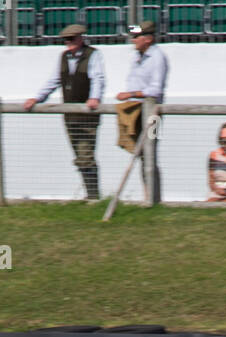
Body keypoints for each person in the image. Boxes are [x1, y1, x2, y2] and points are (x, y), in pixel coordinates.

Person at [23, 24, 106, 201]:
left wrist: (94, 98)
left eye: (71, 39)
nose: (68, 43)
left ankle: (93, 196)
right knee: (78, 153)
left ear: (80, 38)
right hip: (69, 115)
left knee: (85, 153)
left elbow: (98, 78)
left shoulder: (93, 55)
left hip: (86, 114)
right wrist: (37, 98)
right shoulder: (64, 57)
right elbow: (54, 80)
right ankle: (90, 194)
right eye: (65, 40)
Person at [116, 20, 169, 204]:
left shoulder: (157, 58)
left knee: (150, 154)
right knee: (141, 156)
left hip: (153, 115)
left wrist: (130, 94)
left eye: (137, 36)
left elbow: (155, 90)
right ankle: (148, 196)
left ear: (148, 39)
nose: (133, 40)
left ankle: (154, 198)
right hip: (136, 112)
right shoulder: (137, 57)